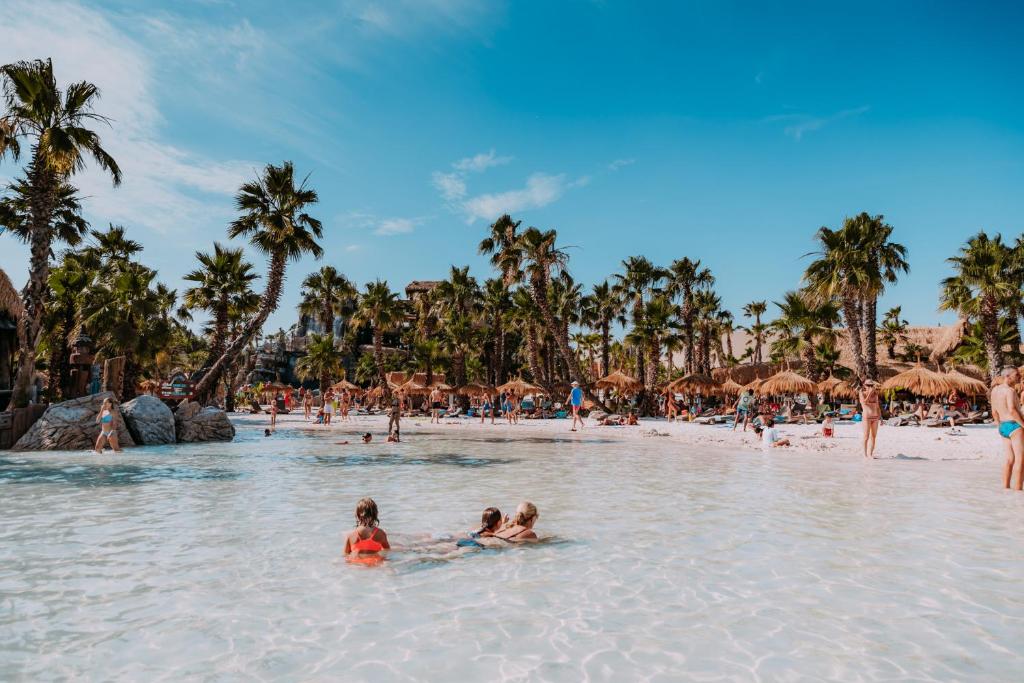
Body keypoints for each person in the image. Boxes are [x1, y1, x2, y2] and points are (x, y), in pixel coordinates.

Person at [990, 367, 1024, 491]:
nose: (1019, 377)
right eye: (1017, 375)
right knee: (1020, 459)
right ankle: (1019, 490)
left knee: (1009, 459)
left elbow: (994, 411)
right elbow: (1012, 410)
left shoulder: (995, 391)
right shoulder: (1010, 391)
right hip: (1014, 425)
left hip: (1003, 426)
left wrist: (999, 425)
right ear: (1007, 376)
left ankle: (1005, 490)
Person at [858, 378, 882, 459]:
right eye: (868, 385)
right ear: (864, 385)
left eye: (871, 385)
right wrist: (869, 394)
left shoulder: (875, 394)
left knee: (873, 436)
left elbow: (878, 407)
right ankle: (864, 454)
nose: (870, 387)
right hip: (866, 417)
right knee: (866, 436)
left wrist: (881, 418)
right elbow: (864, 402)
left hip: (875, 417)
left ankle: (870, 454)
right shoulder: (862, 393)